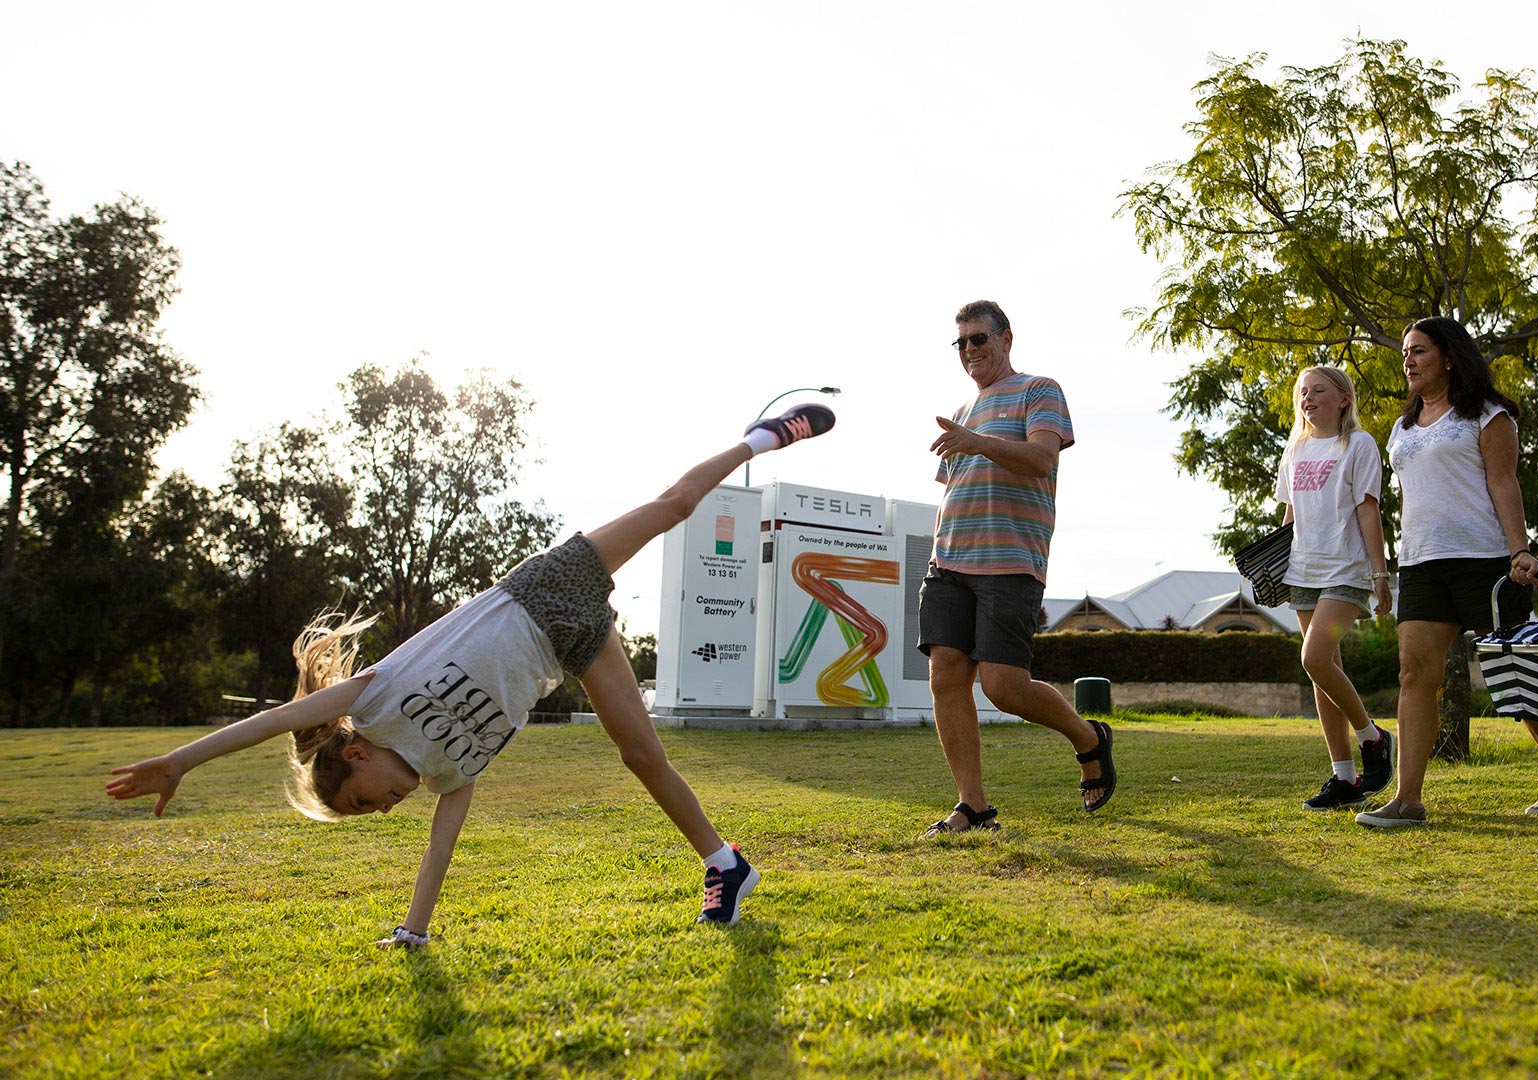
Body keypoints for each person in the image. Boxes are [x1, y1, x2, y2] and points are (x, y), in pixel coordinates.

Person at [106, 404, 837, 940]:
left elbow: (270, 721)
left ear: (353, 754)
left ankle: (760, 437)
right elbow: (440, 849)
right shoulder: (448, 774)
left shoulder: (375, 698)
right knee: (641, 755)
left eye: (362, 803)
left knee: (674, 505)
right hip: (571, 646)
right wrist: (414, 931)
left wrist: (179, 760)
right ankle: (724, 862)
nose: (385, 810)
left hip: (544, 586)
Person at [1357, 316, 1538, 828]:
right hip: (1420, 562)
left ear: (1450, 356)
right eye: (1405, 353)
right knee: (1413, 675)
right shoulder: (1403, 427)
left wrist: (1519, 550)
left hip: (1483, 562)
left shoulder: (1487, 414)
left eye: (1419, 351)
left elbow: (1504, 483)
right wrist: (1383, 569)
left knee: (1518, 678)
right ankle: (1408, 799)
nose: (1408, 360)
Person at [917, 299, 1114, 836]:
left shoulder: (1039, 390)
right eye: (960, 343)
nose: (969, 351)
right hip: (949, 560)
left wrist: (976, 442)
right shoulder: (959, 412)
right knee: (946, 676)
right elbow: (955, 488)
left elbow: (1040, 460)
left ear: (1006, 338)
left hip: (1010, 562)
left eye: (978, 339)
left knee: (1003, 687)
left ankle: (1089, 739)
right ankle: (973, 807)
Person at [1272, 365, 1396, 810]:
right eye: (1302, 392)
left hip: (1345, 569)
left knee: (1314, 657)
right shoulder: (1295, 450)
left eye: (1318, 390)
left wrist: (1380, 574)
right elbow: (1289, 519)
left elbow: (1368, 510)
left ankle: (1373, 737)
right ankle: (1343, 777)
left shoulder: (1358, 445)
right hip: (1302, 570)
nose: (1307, 398)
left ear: (1343, 398)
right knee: (1323, 672)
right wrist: (1273, 564)